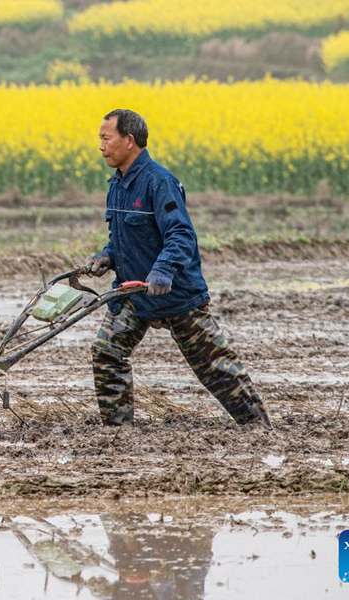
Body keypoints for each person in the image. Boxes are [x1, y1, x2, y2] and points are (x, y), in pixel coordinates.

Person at [84, 109, 271, 428]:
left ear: (129, 141)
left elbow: (180, 234)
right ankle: (117, 431)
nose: (101, 146)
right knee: (106, 350)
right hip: (135, 293)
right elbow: (123, 237)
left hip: (175, 293)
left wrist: (163, 271)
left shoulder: (159, 182)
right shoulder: (117, 185)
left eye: (106, 138)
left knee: (213, 365)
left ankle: (257, 425)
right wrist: (107, 256)